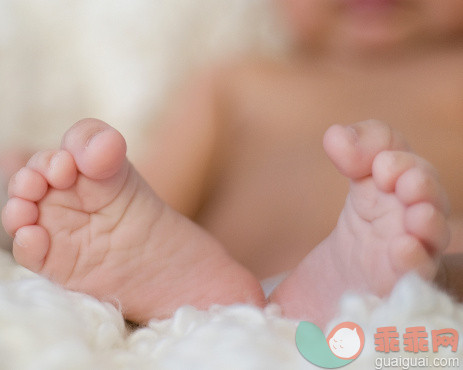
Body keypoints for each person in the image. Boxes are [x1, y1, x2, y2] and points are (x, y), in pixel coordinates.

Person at [2, 0, 463, 326]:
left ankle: (401, 272)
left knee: (432, 243)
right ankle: (185, 285)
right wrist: (83, 200)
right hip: (235, 285)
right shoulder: (237, 82)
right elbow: (154, 202)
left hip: (419, 274)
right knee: (116, 220)